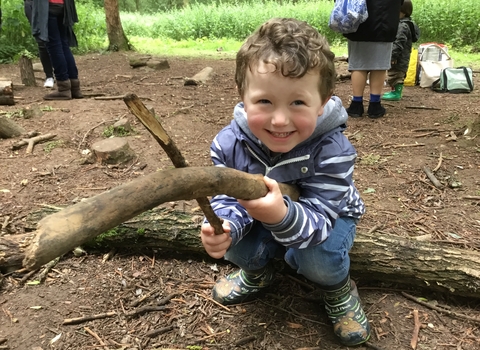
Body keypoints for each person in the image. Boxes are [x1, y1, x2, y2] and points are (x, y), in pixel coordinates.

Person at [200, 18, 370, 346]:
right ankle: (258, 272)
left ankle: (337, 290)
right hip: (267, 214)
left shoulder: (333, 151)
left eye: (298, 103)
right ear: (243, 96)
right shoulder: (227, 145)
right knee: (233, 243)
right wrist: (225, 225)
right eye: (264, 101)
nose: (280, 120)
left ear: (322, 104)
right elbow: (225, 198)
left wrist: (281, 216)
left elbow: (320, 221)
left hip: (328, 217)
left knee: (318, 258)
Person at [344, 0, 404, 118]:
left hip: (359, 21)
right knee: (380, 63)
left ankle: (356, 105)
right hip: (386, 20)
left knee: (358, 64)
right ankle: (375, 105)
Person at [31, 0, 83, 100]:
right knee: (63, 45)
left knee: (54, 47)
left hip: (49, 7)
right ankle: (74, 87)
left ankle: (64, 88)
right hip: (63, 6)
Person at [382, 0, 420, 101]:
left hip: (399, 56)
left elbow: (399, 42)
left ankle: (396, 93)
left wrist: (393, 56)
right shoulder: (406, 23)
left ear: (403, 12)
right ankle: (394, 91)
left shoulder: (402, 26)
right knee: (394, 72)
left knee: (396, 73)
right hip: (402, 56)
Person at [24, 0, 55, 88]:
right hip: (31, 4)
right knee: (41, 42)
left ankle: (62, 75)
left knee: (57, 40)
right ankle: (49, 76)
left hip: (52, 4)